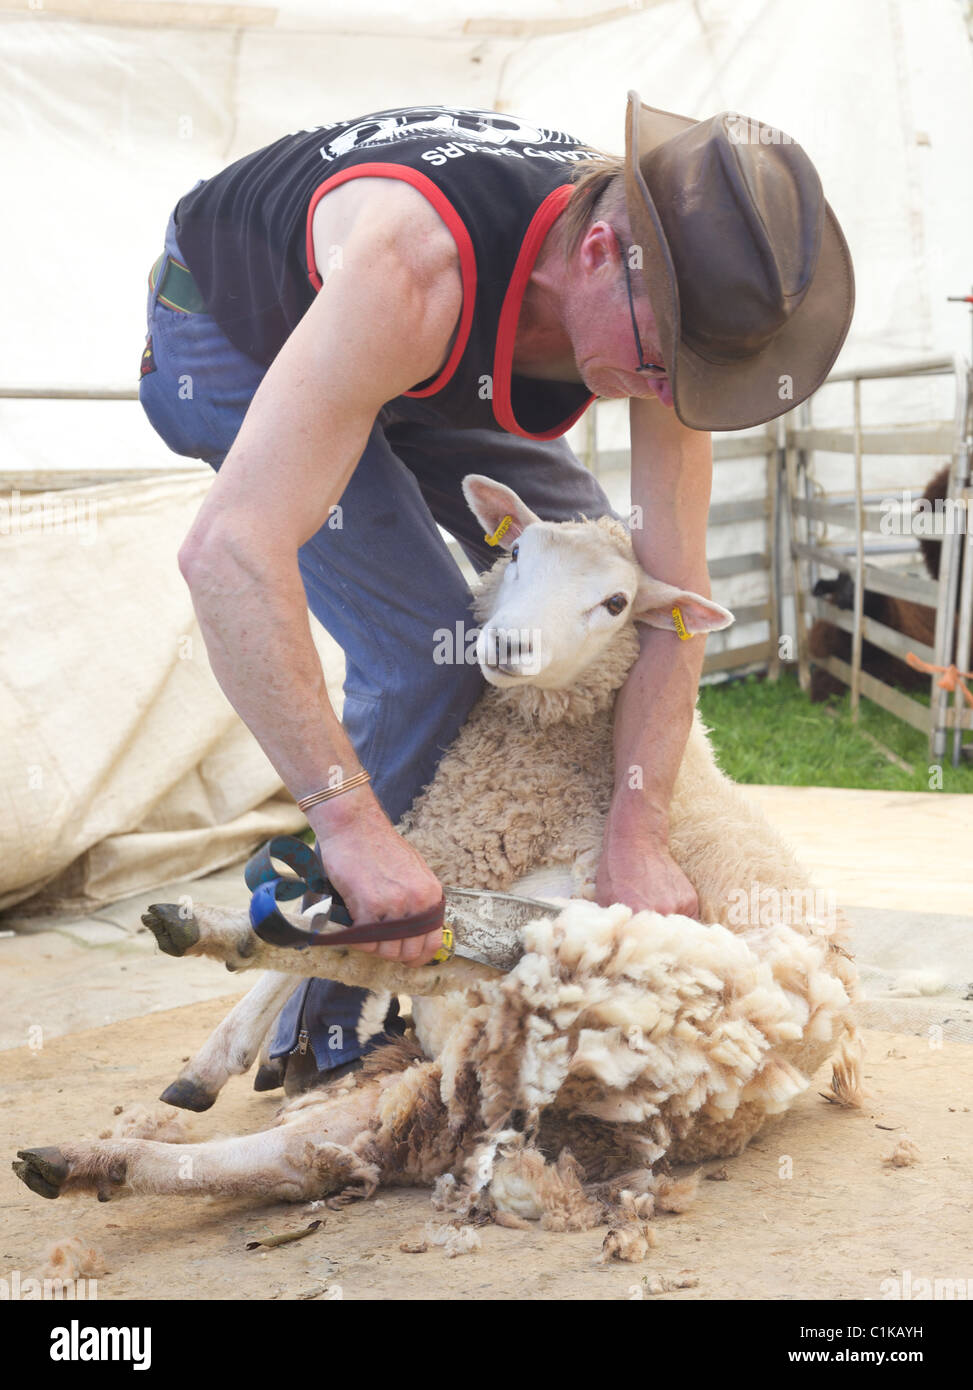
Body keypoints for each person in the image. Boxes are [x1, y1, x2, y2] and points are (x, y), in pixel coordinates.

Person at [138, 94, 854, 1092]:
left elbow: (669, 596)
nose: (664, 395)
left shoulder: (669, 309)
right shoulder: (410, 265)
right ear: (601, 250)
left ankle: (524, 861)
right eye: (660, 364)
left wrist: (636, 834)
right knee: (425, 651)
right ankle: (331, 980)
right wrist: (351, 824)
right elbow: (228, 552)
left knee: (595, 576)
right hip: (229, 328)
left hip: (436, 359)